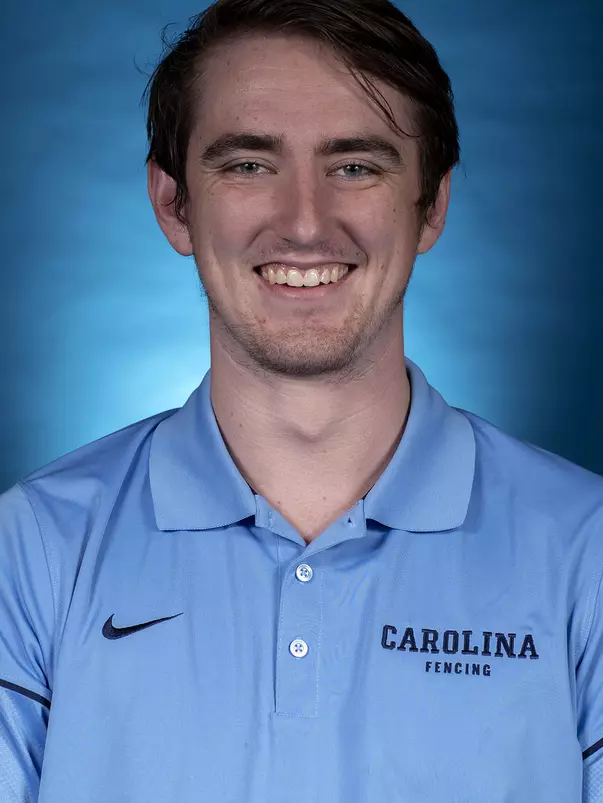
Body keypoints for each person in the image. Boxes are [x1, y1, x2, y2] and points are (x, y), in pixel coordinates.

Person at [1, 0, 602, 800]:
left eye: (355, 165)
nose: (304, 224)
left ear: (431, 206)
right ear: (173, 203)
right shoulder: (32, 551)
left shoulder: (586, 554)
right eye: (249, 165)